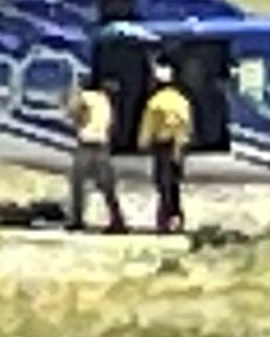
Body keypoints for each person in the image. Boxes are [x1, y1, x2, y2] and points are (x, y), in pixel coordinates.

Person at [63, 68, 125, 234]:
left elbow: (73, 112)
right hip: (102, 145)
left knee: (78, 183)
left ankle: (76, 220)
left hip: (86, 144)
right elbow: (112, 124)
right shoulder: (106, 101)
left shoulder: (85, 97)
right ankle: (117, 220)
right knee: (107, 186)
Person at [136, 57, 193, 235]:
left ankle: (164, 221)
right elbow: (187, 124)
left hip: (163, 145)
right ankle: (178, 218)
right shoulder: (182, 101)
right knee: (175, 183)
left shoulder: (155, 102)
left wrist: (142, 142)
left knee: (163, 184)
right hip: (179, 144)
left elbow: (148, 125)